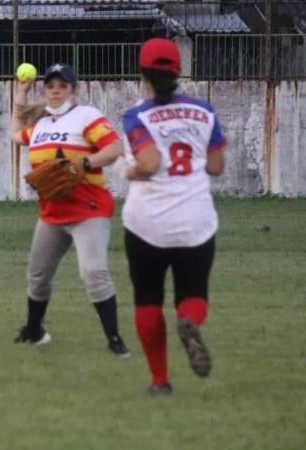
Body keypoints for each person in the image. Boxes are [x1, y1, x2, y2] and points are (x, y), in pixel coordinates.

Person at [120, 38, 226, 394]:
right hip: (196, 221)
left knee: (148, 298)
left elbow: (149, 164)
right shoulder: (205, 111)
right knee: (193, 293)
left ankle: (160, 381)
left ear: (142, 72)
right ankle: (188, 321)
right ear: (179, 71)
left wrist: (129, 172)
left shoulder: (137, 115)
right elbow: (216, 166)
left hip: (147, 223)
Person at [10, 63, 130, 356]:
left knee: (93, 272)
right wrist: (21, 92)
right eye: (50, 85)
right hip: (52, 212)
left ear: (73, 90)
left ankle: (115, 340)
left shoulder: (86, 117)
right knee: (37, 275)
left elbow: (115, 149)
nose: (55, 90)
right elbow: (16, 134)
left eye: (62, 85)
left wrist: (86, 163)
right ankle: (35, 330)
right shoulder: (40, 124)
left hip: (88, 210)